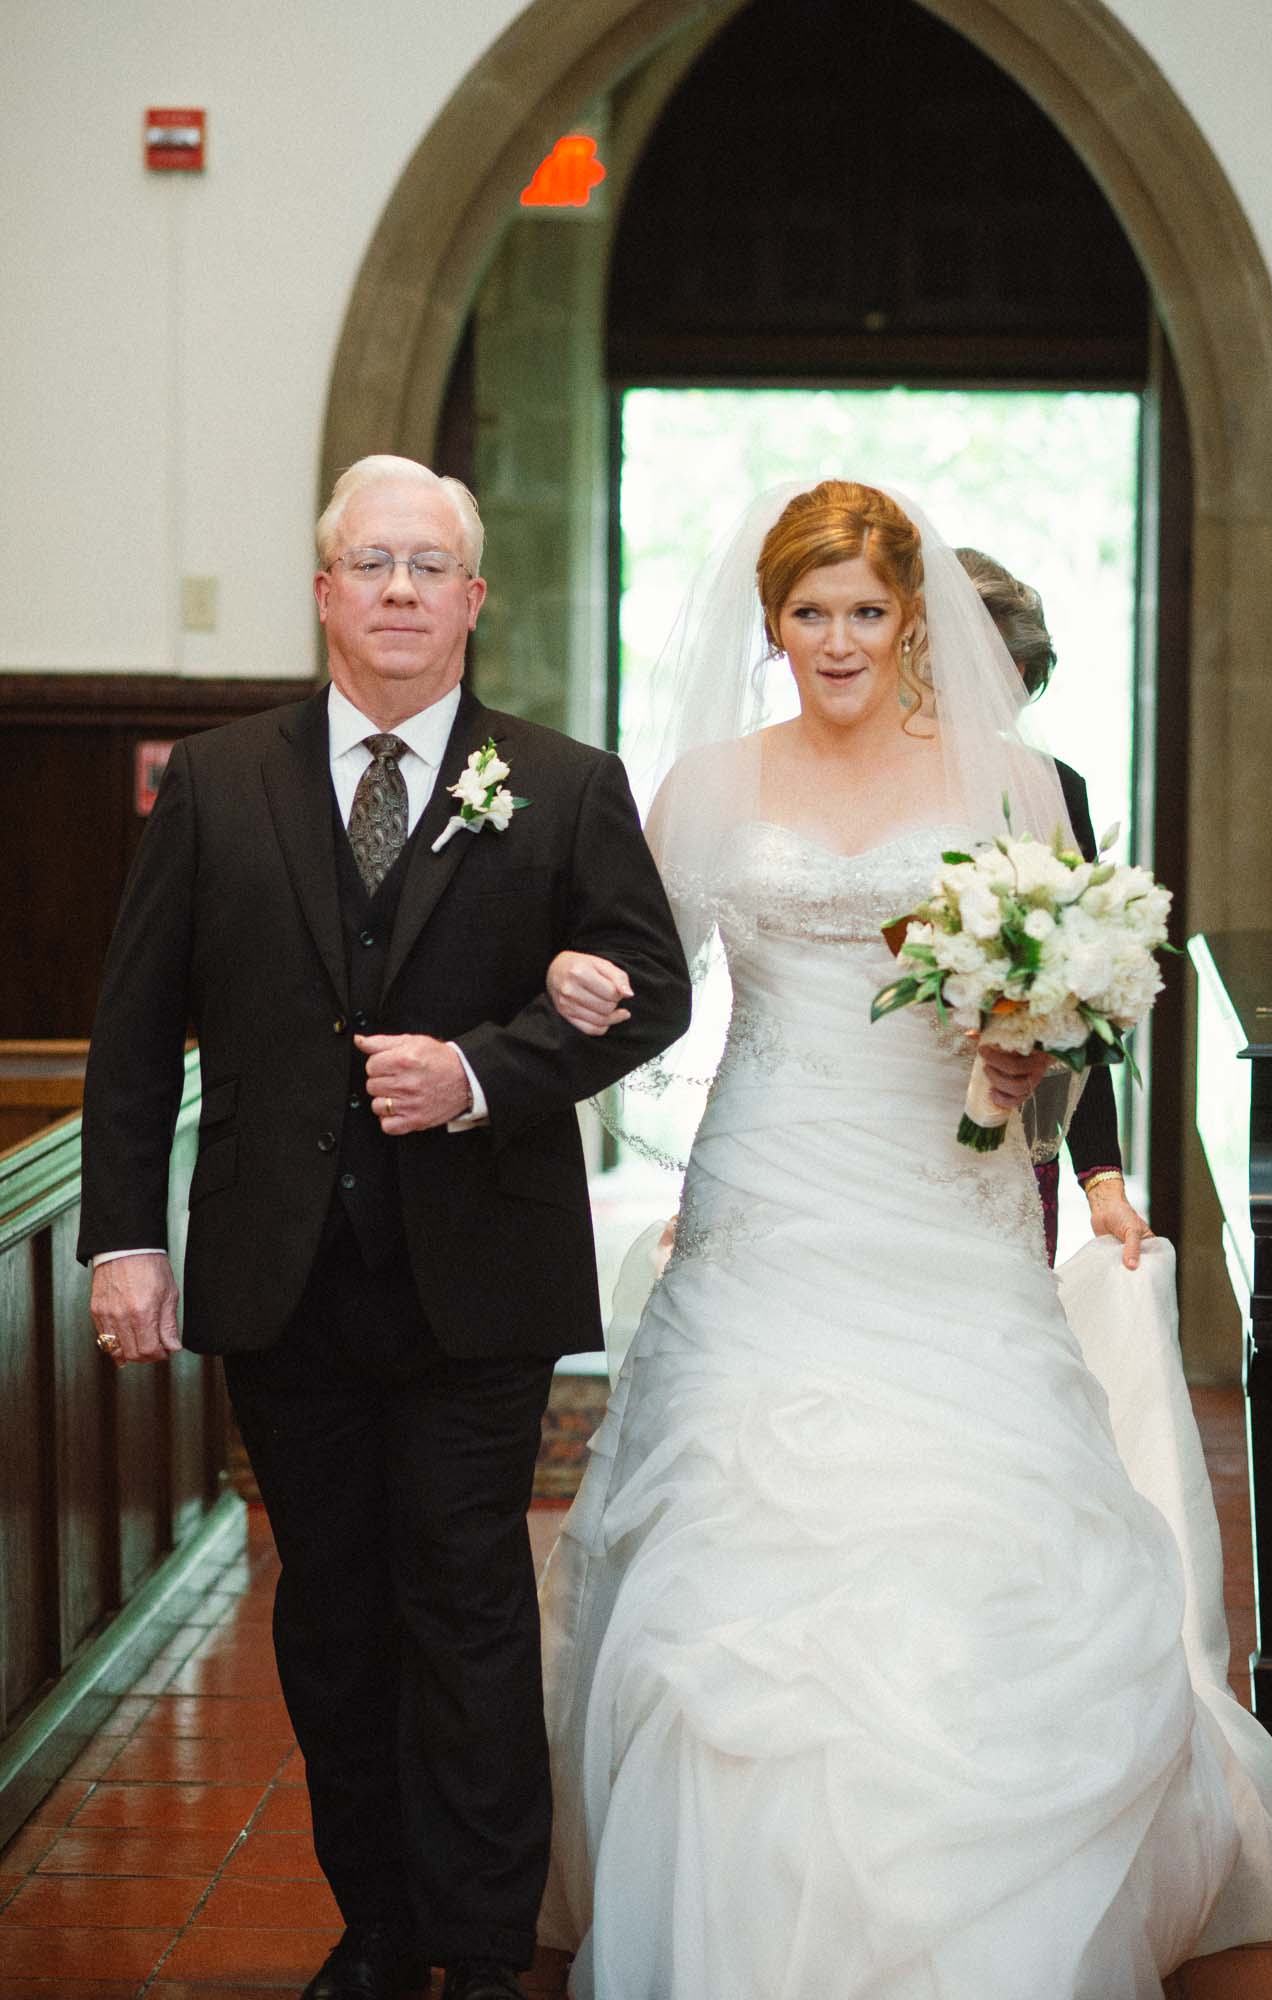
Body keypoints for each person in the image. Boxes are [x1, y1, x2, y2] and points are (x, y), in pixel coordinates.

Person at [533, 480, 1272, 1999]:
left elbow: (1073, 998)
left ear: (911, 620)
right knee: (726, 1545)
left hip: (942, 1194)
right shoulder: (703, 784)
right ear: (769, 624)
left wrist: (1035, 1060)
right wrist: (570, 996)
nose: (836, 639)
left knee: (970, 1530)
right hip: (769, 1190)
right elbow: (650, 984)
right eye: (807, 611)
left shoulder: (1010, 783)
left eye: (864, 610)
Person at [77, 455, 692, 2000]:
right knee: (334, 1619)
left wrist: (487, 1071)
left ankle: (481, 1949)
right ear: (323, 591)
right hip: (280, 1277)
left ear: (475, 599)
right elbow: (136, 1033)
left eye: (431, 566)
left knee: (466, 1599)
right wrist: (122, 1238)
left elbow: (652, 993)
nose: (402, 590)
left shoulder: (558, 782)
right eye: (372, 563)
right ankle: (379, 1928)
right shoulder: (218, 783)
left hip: (477, 1276)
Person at [954, 545, 1150, 1270]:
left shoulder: (1053, 788)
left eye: (1014, 699)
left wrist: (1101, 1180)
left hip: (1005, 1129)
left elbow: (1076, 996)